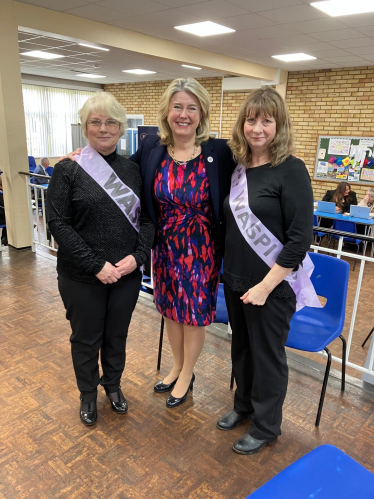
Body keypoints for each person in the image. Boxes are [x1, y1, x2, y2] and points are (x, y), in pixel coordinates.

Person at [216, 87, 316, 455]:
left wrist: (265, 286)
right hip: (236, 279)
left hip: (273, 285)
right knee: (241, 349)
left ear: (279, 125)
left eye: (267, 120)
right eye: (251, 119)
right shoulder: (239, 167)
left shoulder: (291, 169)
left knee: (267, 356)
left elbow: (299, 240)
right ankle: (243, 407)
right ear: (243, 124)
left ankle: (266, 425)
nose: (257, 128)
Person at [47, 92, 154, 426]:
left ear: (121, 129)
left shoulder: (133, 170)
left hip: (126, 274)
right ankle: (88, 395)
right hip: (81, 276)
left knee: (116, 335)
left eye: (111, 122)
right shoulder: (68, 169)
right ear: (85, 127)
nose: (104, 128)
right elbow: (57, 224)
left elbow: (149, 221)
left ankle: (113, 386)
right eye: (96, 122)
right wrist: (96, 265)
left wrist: (137, 258)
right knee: (85, 337)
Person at [130, 77, 236, 407]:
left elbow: (251, 177)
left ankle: (188, 373)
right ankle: (176, 366)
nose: (184, 114)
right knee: (171, 311)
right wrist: (84, 157)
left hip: (202, 249)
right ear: (167, 111)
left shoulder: (219, 152)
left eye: (192, 107)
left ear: (201, 113)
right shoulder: (152, 149)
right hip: (164, 247)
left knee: (193, 315)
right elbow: (120, 171)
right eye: (178, 106)